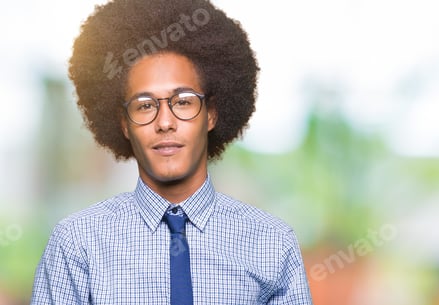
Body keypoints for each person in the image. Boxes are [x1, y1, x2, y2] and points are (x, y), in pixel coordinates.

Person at [31, 0, 313, 304]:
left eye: (183, 102)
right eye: (145, 106)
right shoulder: (77, 244)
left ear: (212, 114)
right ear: (124, 124)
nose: (165, 122)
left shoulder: (271, 243)